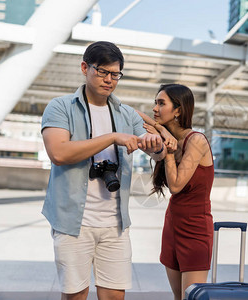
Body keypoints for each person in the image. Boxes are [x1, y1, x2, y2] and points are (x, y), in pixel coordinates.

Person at [41, 41, 166, 300]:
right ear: (85, 67)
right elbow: (59, 153)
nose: (109, 80)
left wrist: (157, 145)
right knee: (76, 295)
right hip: (73, 221)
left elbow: (157, 151)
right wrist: (112, 137)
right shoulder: (60, 106)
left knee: (114, 295)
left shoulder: (126, 113)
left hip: (115, 223)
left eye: (115, 74)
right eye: (102, 72)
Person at [140, 84, 214, 300]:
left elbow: (176, 185)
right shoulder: (168, 139)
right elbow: (132, 114)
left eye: (161, 103)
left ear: (178, 110)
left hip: (195, 230)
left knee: (191, 298)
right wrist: (162, 130)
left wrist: (170, 152)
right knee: (178, 298)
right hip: (172, 225)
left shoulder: (197, 141)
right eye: (155, 102)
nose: (155, 108)